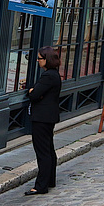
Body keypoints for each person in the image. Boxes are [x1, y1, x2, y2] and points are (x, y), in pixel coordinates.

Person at [24, 46, 62, 196]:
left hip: (42, 117)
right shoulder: (54, 75)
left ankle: (41, 185)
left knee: (43, 152)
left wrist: (33, 92)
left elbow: (34, 95)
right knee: (48, 149)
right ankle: (49, 180)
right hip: (48, 116)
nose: (38, 61)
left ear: (47, 60)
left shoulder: (48, 76)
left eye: (40, 58)